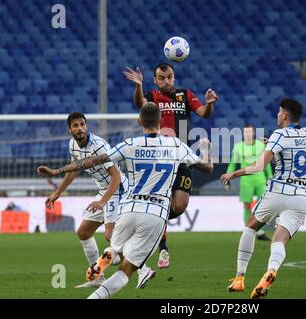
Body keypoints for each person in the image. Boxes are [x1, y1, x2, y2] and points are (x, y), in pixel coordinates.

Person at [38, 102, 213, 299]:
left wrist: (56, 171)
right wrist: (206, 150)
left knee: (113, 243)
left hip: (130, 205)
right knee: (127, 267)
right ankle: (122, 266)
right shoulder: (176, 145)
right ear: (161, 121)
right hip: (155, 212)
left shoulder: (130, 144)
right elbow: (207, 168)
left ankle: (109, 255)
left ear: (139, 121)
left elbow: (96, 160)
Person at [42, 112, 155, 289]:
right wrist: (58, 192)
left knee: (111, 236)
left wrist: (103, 201)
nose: (79, 128)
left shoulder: (99, 146)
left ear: (86, 126)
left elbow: (116, 176)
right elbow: (73, 170)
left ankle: (143, 269)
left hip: (118, 190)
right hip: (104, 191)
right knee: (84, 232)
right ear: (69, 128)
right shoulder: (73, 145)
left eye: (82, 124)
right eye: (75, 125)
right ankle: (98, 277)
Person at [123, 63, 218, 268]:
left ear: (173, 77)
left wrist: (209, 103)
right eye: (161, 78)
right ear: (156, 80)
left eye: (170, 77)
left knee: (179, 206)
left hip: (181, 155)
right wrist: (138, 86)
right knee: (162, 202)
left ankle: (150, 224)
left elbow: (204, 113)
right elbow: (141, 104)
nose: (166, 81)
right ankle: (163, 247)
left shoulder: (185, 95)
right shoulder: (152, 96)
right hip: (160, 159)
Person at [220, 99, 306, 298]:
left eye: (279, 112)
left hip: (279, 190)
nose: (277, 115)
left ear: (285, 116)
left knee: (250, 226)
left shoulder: (279, 134)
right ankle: (271, 271)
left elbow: (258, 167)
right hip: (302, 195)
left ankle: (239, 278)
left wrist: (233, 174)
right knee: (279, 239)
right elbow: (292, 151)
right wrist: (270, 144)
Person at [226, 124, 273, 240]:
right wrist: (228, 178)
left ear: (253, 133)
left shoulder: (260, 145)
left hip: (260, 178)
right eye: (245, 132)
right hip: (246, 180)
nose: (247, 134)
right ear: (243, 134)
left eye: (249, 132)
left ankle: (259, 230)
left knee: (263, 204)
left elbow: (264, 163)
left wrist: (270, 176)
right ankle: (250, 229)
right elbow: (233, 164)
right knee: (247, 206)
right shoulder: (238, 147)